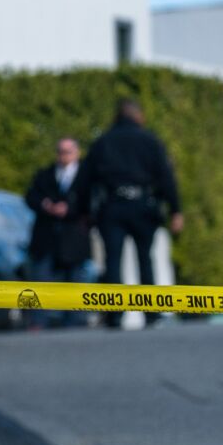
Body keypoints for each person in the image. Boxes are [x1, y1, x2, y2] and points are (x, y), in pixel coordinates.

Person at [83, 98, 183, 328]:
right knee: (145, 260)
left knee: (113, 261)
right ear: (138, 116)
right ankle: (150, 313)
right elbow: (166, 177)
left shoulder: (103, 142)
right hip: (143, 206)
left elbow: (85, 180)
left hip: (112, 206)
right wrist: (175, 210)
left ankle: (115, 314)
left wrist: (84, 212)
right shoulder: (150, 141)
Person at [24, 137, 91, 329]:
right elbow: (30, 197)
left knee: (75, 282)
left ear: (77, 153)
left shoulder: (86, 176)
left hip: (74, 237)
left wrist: (69, 209)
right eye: (60, 151)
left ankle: (74, 321)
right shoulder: (45, 175)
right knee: (40, 280)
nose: (64, 156)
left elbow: (92, 204)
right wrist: (46, 205)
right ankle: (37, 320)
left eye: (68, 151)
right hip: (47, 238)